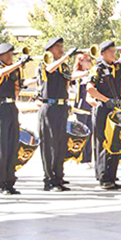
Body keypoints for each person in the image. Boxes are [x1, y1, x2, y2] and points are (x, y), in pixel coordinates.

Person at [86, 40, 121, 189]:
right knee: (104, 142)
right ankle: (104, 177)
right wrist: (105, 100)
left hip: (115, 107)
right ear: (103, 53)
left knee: (115, 141)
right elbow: (90, 88)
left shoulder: (116, 66)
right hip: (104, 107)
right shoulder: (97, 68)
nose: (114, 54)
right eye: (110, 51)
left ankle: (112, 176)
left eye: (114, 51)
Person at [37, 37, 79, 192]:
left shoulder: (63, 66)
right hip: (50, 107)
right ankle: (49, 180)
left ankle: (58, 177)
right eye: (58, 47)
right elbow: (49, 70)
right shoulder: (45, 64)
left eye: (62, 46)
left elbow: (69, 80)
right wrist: (66, 56)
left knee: (60, 144)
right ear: (50, 50)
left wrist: (86, 72)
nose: (61, 49)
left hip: (61, 107)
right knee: (50, 144)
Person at [0, 43, 30, 195]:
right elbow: (0, 73)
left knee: (12, 145)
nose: (11, 57)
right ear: (2, 55)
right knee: (2, 145)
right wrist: (20, 63)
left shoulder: (14, 68)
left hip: (11, 106)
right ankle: (0, 183)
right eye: (9, 54)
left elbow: (17, 87)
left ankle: (10, 181)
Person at [71, 53, 95, 165]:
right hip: (80, 106)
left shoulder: (90, 74)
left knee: (90, 132)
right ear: (80, 62)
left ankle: (87, 158)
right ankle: (79, 158)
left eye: (90, 60)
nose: (89, 63)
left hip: (90, 106)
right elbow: (72, 76)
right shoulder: (78, 73)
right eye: (86, 60)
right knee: (80, 133)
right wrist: (87, 73)